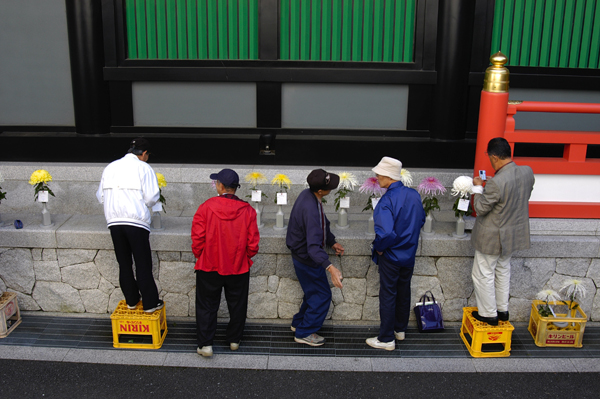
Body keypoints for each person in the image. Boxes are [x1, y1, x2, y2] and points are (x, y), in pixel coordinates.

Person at [191, 169, 260, 357]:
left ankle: (205, 344)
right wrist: (245, 257)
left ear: (220, 186)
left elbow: (197, 238)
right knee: (237, 304)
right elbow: (253, 244)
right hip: (238, 266)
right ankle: (234, 340)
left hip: (209, 264)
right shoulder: (248, 210)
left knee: (207, 305)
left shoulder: (205, 207)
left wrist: (200, 255)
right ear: (235, 188)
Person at [470, 137, 535, 326]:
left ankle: (488, 314)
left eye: (490, 157)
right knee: (503, 270)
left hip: (492, 236)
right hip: (512, 234)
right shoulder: (527, 172)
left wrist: (478, 187)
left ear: (495, 157)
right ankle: (502, 310)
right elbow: (521, 194)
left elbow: (480, 208)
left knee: (484, 273)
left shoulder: (496, 183)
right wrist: (493, 185)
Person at [96, 138, 163, 313]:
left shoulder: (110, 167)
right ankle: (150, 303)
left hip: (114, 221)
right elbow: (151, 198)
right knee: (142, 263)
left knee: (124, 263)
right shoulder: (143, 168)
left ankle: (131, 300)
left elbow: (100, 196)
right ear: (144, 154)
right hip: (136, 222)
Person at [366, 156, 425, 351]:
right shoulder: (414, 194)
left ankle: (385, 338)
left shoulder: (386, 201)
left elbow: (386, 233)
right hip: (409, 254)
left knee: (388, 295)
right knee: (403, 291)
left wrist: (380, 247)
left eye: (379, 175)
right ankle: (400, 330)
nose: (376, 177)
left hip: (391, 256)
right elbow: (421, 220)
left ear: (387, 177)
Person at [286, 169, 345, 347]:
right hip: (307, 259)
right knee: (322, 295)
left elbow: (323, 222)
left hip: (302, 255)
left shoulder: (308, 195)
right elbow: (312, 248)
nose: (332, 189)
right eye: (330, 187)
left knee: (313, 293)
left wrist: (331, 241)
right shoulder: (310, 208)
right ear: (320, 191)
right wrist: (331, 267)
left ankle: (298, 324)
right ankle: (304, 333)